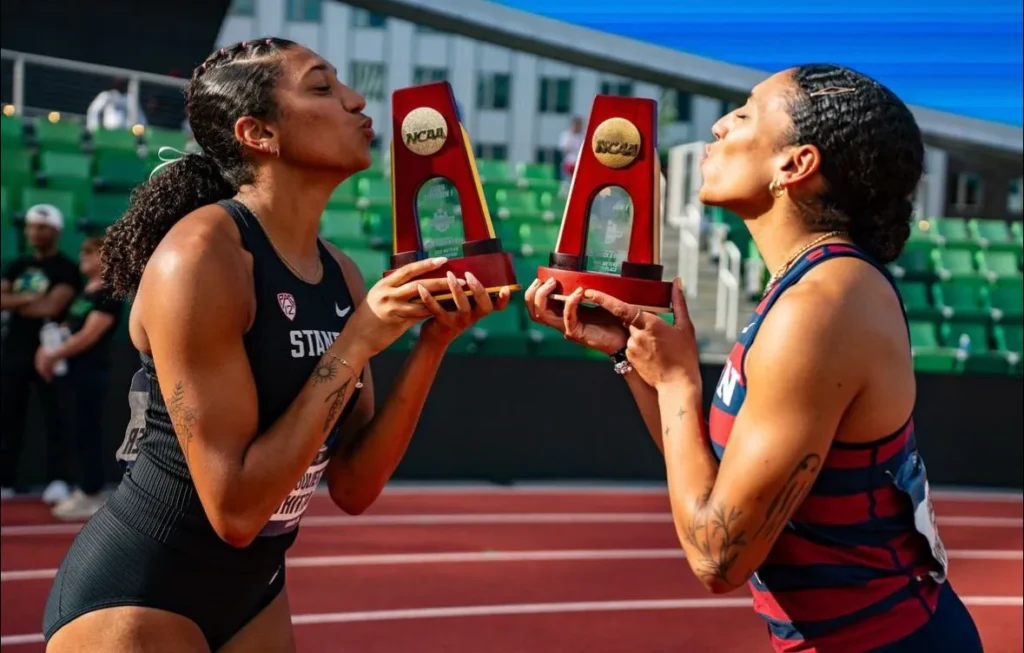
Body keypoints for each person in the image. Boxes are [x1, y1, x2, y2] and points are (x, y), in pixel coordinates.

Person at [42, 37, 511, 653]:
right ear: (258, 133)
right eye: (321, 87)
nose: (354, 101)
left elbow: (353, 487)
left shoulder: (340, 271)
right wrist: (359, 340)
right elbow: (235, 512)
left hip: (256, 588)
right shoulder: (201, 256)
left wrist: (431, 345)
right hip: (142, 591)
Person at [526, 64, 983, 652]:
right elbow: (720, 483)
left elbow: (719, 557)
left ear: (795, 165)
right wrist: (630, 355)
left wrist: (678, 383)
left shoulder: (821, 306)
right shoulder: (802, 288)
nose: (718, 126)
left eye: (743, 114)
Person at [35, 236, 124, 520]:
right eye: (82, 253)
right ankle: (82, 486)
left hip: (90, 373)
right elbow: (65, 326)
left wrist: (55, 354)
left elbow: (88, 336)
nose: (83, 259)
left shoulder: (108, 293)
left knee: (87, 433)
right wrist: (44, 352)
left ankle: (91, 492)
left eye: (90, 254)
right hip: (71, 374)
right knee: (74, 430)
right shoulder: (85, 292)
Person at [0, 204, 81, 503]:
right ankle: (5, 480)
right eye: (32, 226)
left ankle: (60, 479)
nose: (36, 232)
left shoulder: (67, 268)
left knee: (56, 417)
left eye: (42, 227)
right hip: (14, 351)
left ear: (56, 231)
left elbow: (52, 307)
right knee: (8, 416)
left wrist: (16, 301)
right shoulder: (16, 265)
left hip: (50, 353)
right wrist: (32, 297)